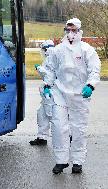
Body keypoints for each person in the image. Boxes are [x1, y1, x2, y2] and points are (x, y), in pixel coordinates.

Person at [43, 18, 101, 174]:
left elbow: (94, 70)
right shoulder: (58, 50)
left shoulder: (87, 50)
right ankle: (61, 161)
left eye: (73, 30)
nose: (70, 34)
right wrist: (48, 85)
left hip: (80, 94)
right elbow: (50, 69)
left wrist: (90, 85)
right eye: (67, 30)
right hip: (60, 93)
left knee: (78, 128)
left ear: (79, 31)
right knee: (58, 126)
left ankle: (77, 161)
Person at [29, 40, 55, 146]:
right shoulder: (48, 59)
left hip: (52, 93)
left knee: (54, 116)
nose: (43, 52)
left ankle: (67, 137)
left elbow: (51, 75)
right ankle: (42, 137)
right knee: (42, 115)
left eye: (43, 49)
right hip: (47, 92)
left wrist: (39, 69)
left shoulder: (52, 59)